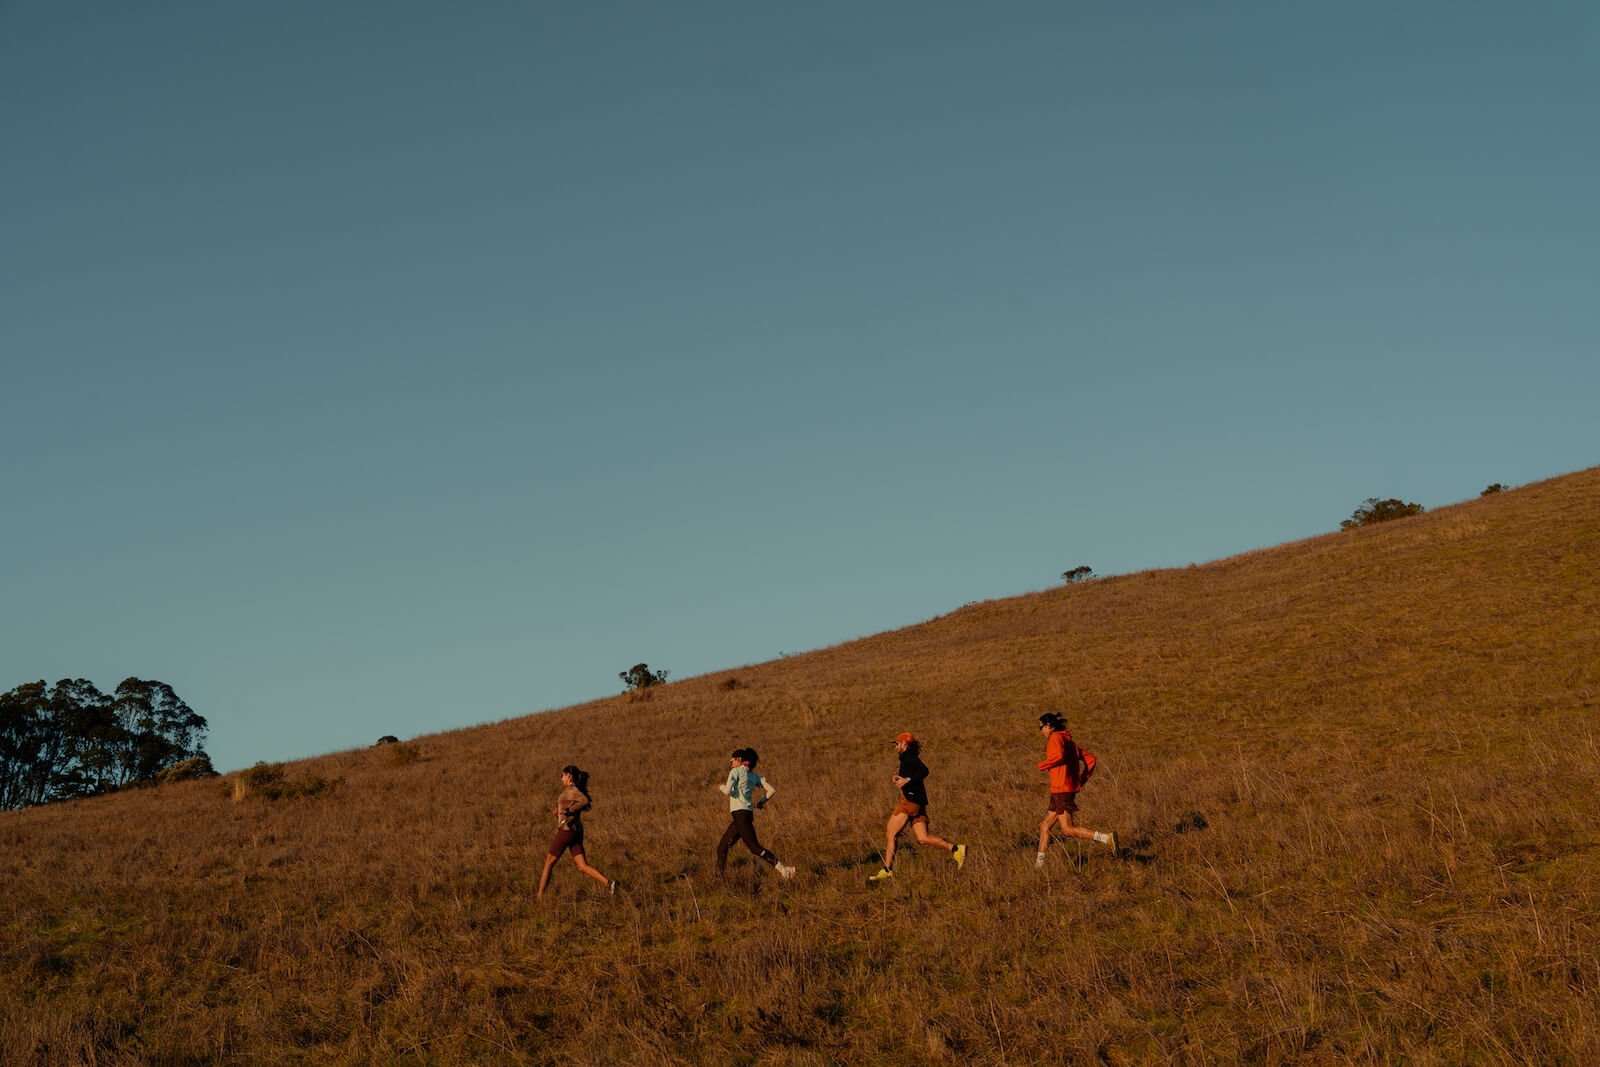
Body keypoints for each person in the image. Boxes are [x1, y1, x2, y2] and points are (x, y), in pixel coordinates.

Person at [867, 732, 966, 882]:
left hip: (910, 802)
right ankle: (956, 849)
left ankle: (887, 870)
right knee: (922, 838)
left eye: (897, 743)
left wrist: (906, 780)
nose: (895, 746)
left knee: (891, 833)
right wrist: (901, 779)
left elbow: (924, 771)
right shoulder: (907, 758)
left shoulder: (910, 758)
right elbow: (914, 776)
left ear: (905, 744)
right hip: (917, 801)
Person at [1035, 712, 1118, 867]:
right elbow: (1091, 759)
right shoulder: (1069, 742)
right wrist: (1081, 779)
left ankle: (1107, 838)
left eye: (1041, 727)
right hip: (1062, 789)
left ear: (1048, 726)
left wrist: (1043, 765)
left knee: (1067, 830)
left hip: (1061, 790)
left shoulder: (1055, 738)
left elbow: (1058, 756)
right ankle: (1039, 867)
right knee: (1045, 826)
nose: (1040, 731)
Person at [536, 764, 616, 899]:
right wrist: (560, 813)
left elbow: (584, 800)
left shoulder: (572, 790)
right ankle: (609, 883)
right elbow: (572, 807)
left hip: (566, 831)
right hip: (575, 831)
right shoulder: (571, 791)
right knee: (582, 866)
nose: (561, 778)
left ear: (569, 776)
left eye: (562, 775)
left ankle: (539, 898)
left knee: (549, 862)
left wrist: (569, 811)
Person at [716, 748, 797, 880]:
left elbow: (727, 791)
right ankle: (718, 880)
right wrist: (761, 802)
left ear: (742, 760)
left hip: (740, 816)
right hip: (746, 815)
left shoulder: (735, 771)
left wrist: (720, 786)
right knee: (722, 848)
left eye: (733, 759)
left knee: (755, 848)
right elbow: (771, 790)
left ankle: (784, 870)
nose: (731, 762)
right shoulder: (754, 776)